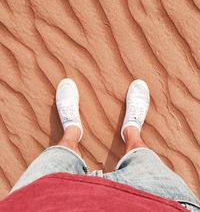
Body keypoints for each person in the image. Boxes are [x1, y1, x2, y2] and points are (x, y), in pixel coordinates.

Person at [0, 78, 199, 211]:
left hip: (42, 201)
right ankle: (131, 133)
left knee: (57, 156)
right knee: (144, 159)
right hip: (159, 202)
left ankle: (72, 134)